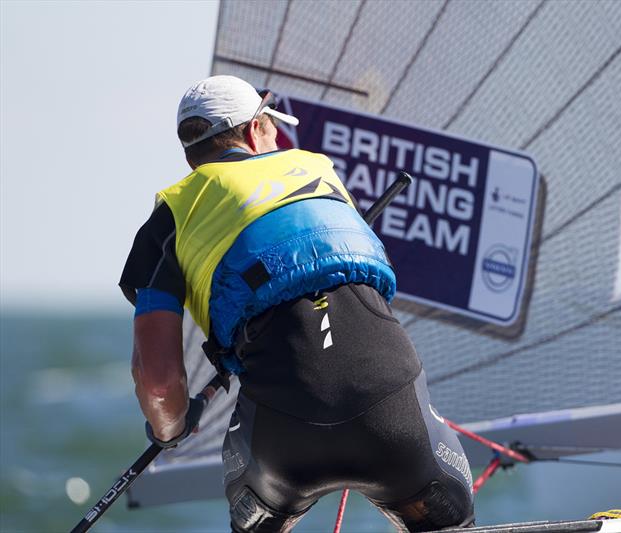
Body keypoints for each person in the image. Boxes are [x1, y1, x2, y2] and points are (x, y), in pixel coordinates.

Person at [119, 75, 474, 532]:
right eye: (271, 126)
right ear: (253, 132)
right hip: (392, 416)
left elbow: (159, 381)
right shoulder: (318, 169)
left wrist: (170, 429)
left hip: (280, 440)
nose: (277, 138)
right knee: (449, 519)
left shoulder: (169, 215)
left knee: (258, 511)